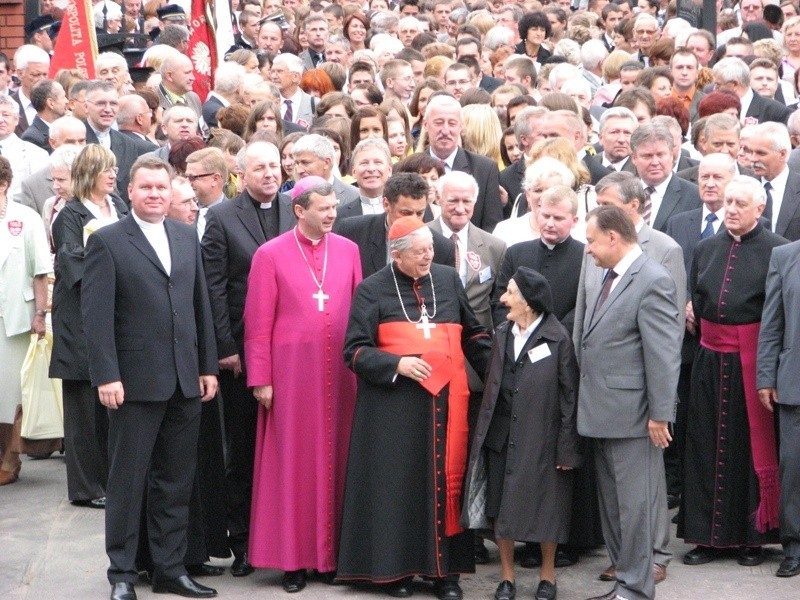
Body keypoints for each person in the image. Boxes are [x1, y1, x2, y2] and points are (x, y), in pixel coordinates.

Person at [81, 156, 218, 600]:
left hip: (184, 380)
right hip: (133, 383)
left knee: (175, 481)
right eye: (147, 188)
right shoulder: (107, 241)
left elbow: (201, 307)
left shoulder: (184, 235)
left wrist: (207, 366)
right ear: (130, 191)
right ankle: (121, 574)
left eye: (162, 188)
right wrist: (106, 374)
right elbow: (96, 317)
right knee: (127, 480)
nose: (155, 195)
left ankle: (169, 568)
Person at [337, 217, 492, 600]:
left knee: (445, 484)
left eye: (430, 249)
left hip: (447, 403)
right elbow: (353, 351)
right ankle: (397, 572)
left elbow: (474, 333)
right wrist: (397, 364)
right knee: (400, 487)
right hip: (394, 411)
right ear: (396, 254)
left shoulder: (446, 278)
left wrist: (499, 374)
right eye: (419, 251)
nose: (429, 256)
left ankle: (447, 575)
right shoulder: (372, 289)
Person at [243, 177, 362, 592]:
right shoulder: (269, 255)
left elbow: (359, 313)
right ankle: (293, 560)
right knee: (293, 464)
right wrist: (261, 378)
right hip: (292, 377)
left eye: (334, 207)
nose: (332, 213)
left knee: (339, 460)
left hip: (341, 378)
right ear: (300, 210)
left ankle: (331, 557)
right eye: (324, 207)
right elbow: (257, 324)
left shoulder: (348, 251)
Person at [680, 176, 788, 567]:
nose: (732, 209)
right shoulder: (706, 248)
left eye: (741, 203)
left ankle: (751, 538)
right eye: (728, 202)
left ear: (760, 209)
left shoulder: (777, 250)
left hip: (753, 360)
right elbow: (697, 296)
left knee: (746, 448)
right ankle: (707, 538)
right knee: (705, 445)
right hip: (710, 358)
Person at [577, 205, 682, 600]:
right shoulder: (610, 275)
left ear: (612, 237)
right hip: (602, 412)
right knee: (614, 508)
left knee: (635, 510)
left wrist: (659, 414)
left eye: (590, 241)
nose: (587, 249)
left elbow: (663, 353)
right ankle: (626, 581)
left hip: (633, 416)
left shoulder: (651, 278)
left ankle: (637, 589)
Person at [201, 141, 296, 578]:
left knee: (287, 446)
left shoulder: (297, 208)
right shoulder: (222, 218)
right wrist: (225, 347)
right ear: (241, 174)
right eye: (259, 168)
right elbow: (214, 289)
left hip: (292, 350)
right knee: (242, 448)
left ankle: (286, 537)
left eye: (274, 166)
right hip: (242, 348)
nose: (269, 174)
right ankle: (242, 542)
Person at [462, 267, 581, 600]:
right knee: (500, 506)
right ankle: (507, 577)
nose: (502, 298)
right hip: (501, 433)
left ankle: (547, 576)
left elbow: (570, 395)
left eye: (510, 292)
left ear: (530, 302)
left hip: (542, 435)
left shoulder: (557, 338)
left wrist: (567, 448)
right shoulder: (502, 332)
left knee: (547, 508)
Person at [49, 145, 127, 507]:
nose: (113, 175)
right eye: (105, 170)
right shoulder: (72, 214)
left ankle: (113, 481)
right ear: (88, 173)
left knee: (111, 411)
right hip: (79, 320)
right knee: (84, 409)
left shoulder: (120, 207)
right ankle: (86, 487)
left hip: (117, 315)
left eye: (114, 169)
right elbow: (72, 263)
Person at [0, 156, 51, 486]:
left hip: (15, 321)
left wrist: (40, 314)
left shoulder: (25, 218)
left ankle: (9, 457)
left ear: (3, 185)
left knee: (10, 394)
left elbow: (40, 270)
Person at [758, 230, 800, 579]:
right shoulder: (786, 257)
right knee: (793, 466)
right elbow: (771, 323)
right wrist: (766, 376)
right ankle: (794, 544)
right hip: (794, 382)